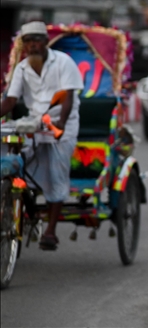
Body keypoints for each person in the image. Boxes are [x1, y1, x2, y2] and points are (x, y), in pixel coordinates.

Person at [0, 21, 83, 251]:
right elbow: (10, 101)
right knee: (11, 154)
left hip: (60, 125)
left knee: (56, 171)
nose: (33, 46)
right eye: (28, 42)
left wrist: (61, 124)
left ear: (46, 42)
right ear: (24, 46)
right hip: (34, 124)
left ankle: (50, 230)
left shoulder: (63, 62)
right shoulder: (22, 68)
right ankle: (14, 200)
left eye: (36, 41)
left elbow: (67, 96)